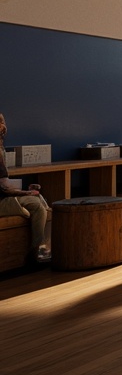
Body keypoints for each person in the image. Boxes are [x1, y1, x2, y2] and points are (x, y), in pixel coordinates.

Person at [0, 113, 51, 264]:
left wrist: (25, 191)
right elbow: (4, 186)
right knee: (36, 204)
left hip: (3, 196)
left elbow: (4, 183)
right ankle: (36, 253)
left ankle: (42, 250)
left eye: (3, 122)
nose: (3, 128)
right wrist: (24, 193)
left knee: (40, 202)